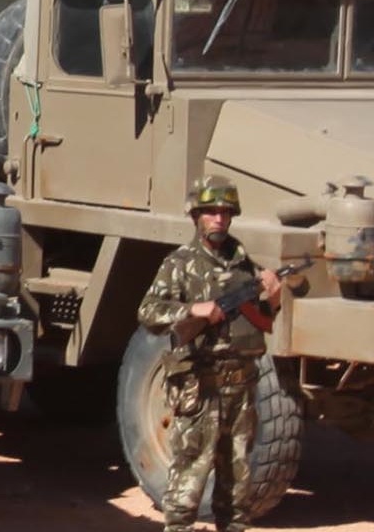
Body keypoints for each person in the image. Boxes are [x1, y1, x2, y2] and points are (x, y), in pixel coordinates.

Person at [138, 176, 287, 532]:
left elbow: (262, 320)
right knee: (190, 475)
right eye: (211, 212)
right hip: (199, 387)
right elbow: (148, 312)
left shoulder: (243, 264)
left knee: (237, 483)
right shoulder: (179, 263)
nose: (219, 219)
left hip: (241, 386)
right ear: (196, 216)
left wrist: (274, 298)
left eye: (225, 212)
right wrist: (193, 310)